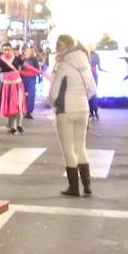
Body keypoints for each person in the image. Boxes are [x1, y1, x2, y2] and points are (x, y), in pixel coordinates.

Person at [48, 34, 97, 197]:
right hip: (83, 109)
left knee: (68, 149)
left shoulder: (63, 65)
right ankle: (87, 185)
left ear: (68, 46)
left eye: (59, 45)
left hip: (65, 109)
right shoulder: (84, 63)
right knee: (80, 147)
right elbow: (92, 89)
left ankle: (73, 187)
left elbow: (54, 92)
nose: (57, 48)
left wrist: (53, 104)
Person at [0, 45, 25, 134]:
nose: (7, 51)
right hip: (7, 86)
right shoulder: (0, 61)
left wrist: (39, 72)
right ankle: (13, 126)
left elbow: (27, 67)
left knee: (19, 105)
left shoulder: (17, 59)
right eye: (5, 49)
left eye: (8, 49)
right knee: (11, 106)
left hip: (18, 84)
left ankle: (19, 125)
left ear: (11, 49)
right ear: (2, 50)